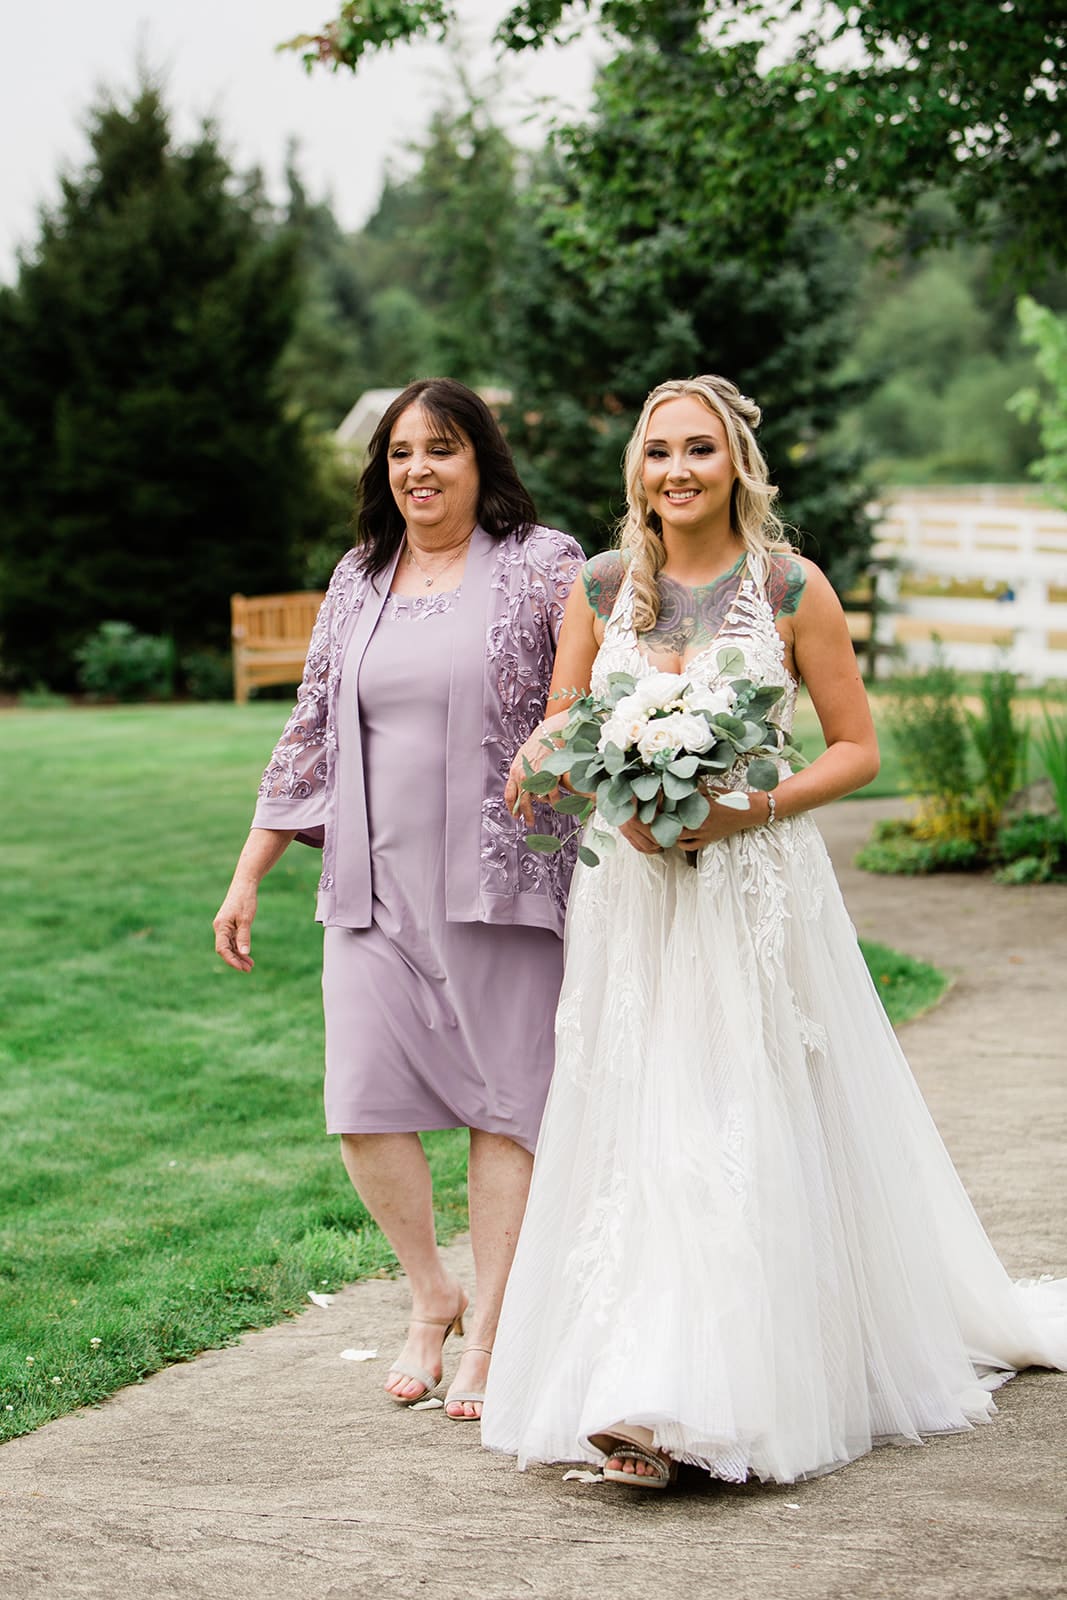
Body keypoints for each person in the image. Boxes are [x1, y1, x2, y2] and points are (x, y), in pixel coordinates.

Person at [482, 375, 1067, 1487]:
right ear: (636, 469)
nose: (677, 470)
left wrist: (748, 806)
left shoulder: (792, 588)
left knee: (728, 1117)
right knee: (637, 1114)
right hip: (633, 899)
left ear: (737, 465)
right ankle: (627, 1379)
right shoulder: (600, 588)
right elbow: (566, 722)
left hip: (749, 892)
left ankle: (691, 1400)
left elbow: (855, 748)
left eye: (698, 449)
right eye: (659, 451)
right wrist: (566, 768)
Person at [214, 378, 584, 1421]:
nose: (418, 469)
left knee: (506, 1104)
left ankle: (492, 1331)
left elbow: (589, 696)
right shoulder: (359, 574)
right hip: (371, 883)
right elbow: (311, 727)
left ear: (480, 461)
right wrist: (250, 869)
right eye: (400, 452)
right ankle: (432, 1295)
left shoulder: (543, 563)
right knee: (365, 1102)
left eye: (441, 449)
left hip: (503, 878)